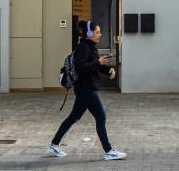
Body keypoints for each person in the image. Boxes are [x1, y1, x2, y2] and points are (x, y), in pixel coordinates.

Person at [47, 20, 126, 161]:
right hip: (86, 89)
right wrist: (99, 62)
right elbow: (80, 68)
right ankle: (108, 151)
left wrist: (108, 69)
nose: (100, 34)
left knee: (73, 117)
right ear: (89, 33)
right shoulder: (84, 47)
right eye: (97, 32)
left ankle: (54, 144)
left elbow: (94, 66)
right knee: (101, 117)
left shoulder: (90, 47)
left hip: (84, 89)